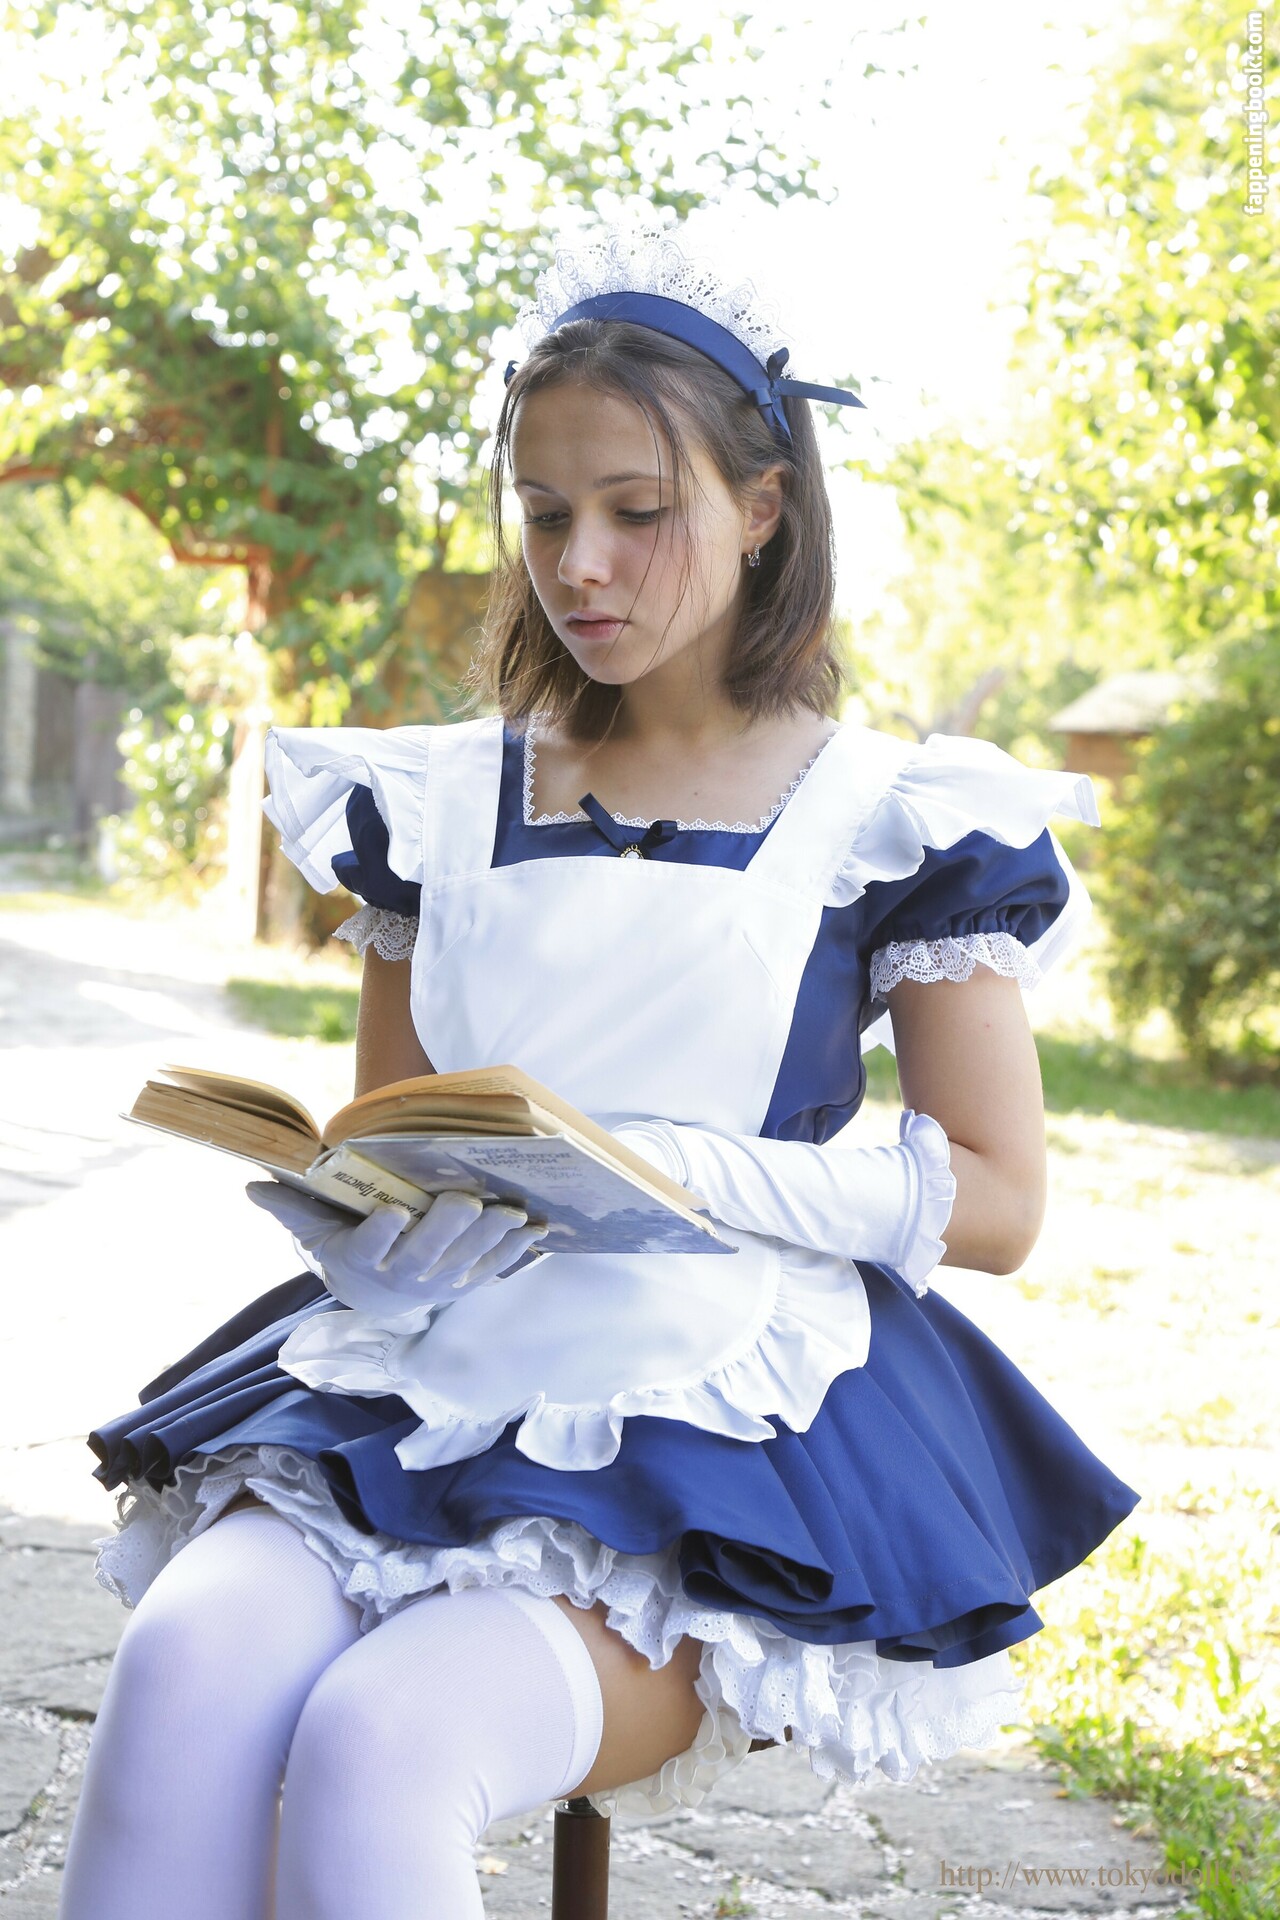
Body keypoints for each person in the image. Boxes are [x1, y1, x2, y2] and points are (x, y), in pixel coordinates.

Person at [61, 225, 1140, 1919]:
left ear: (763, 507)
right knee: (182, 1672)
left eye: (640, 511)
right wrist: (367, 1234)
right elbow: (397, 1131)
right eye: (546, 512)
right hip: (423, 1380)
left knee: (382, 1746)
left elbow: (998, 1203)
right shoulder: (432, 804)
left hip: (712, 1414)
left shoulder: (893, 814)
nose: (583, 563)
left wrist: (677, 1170)